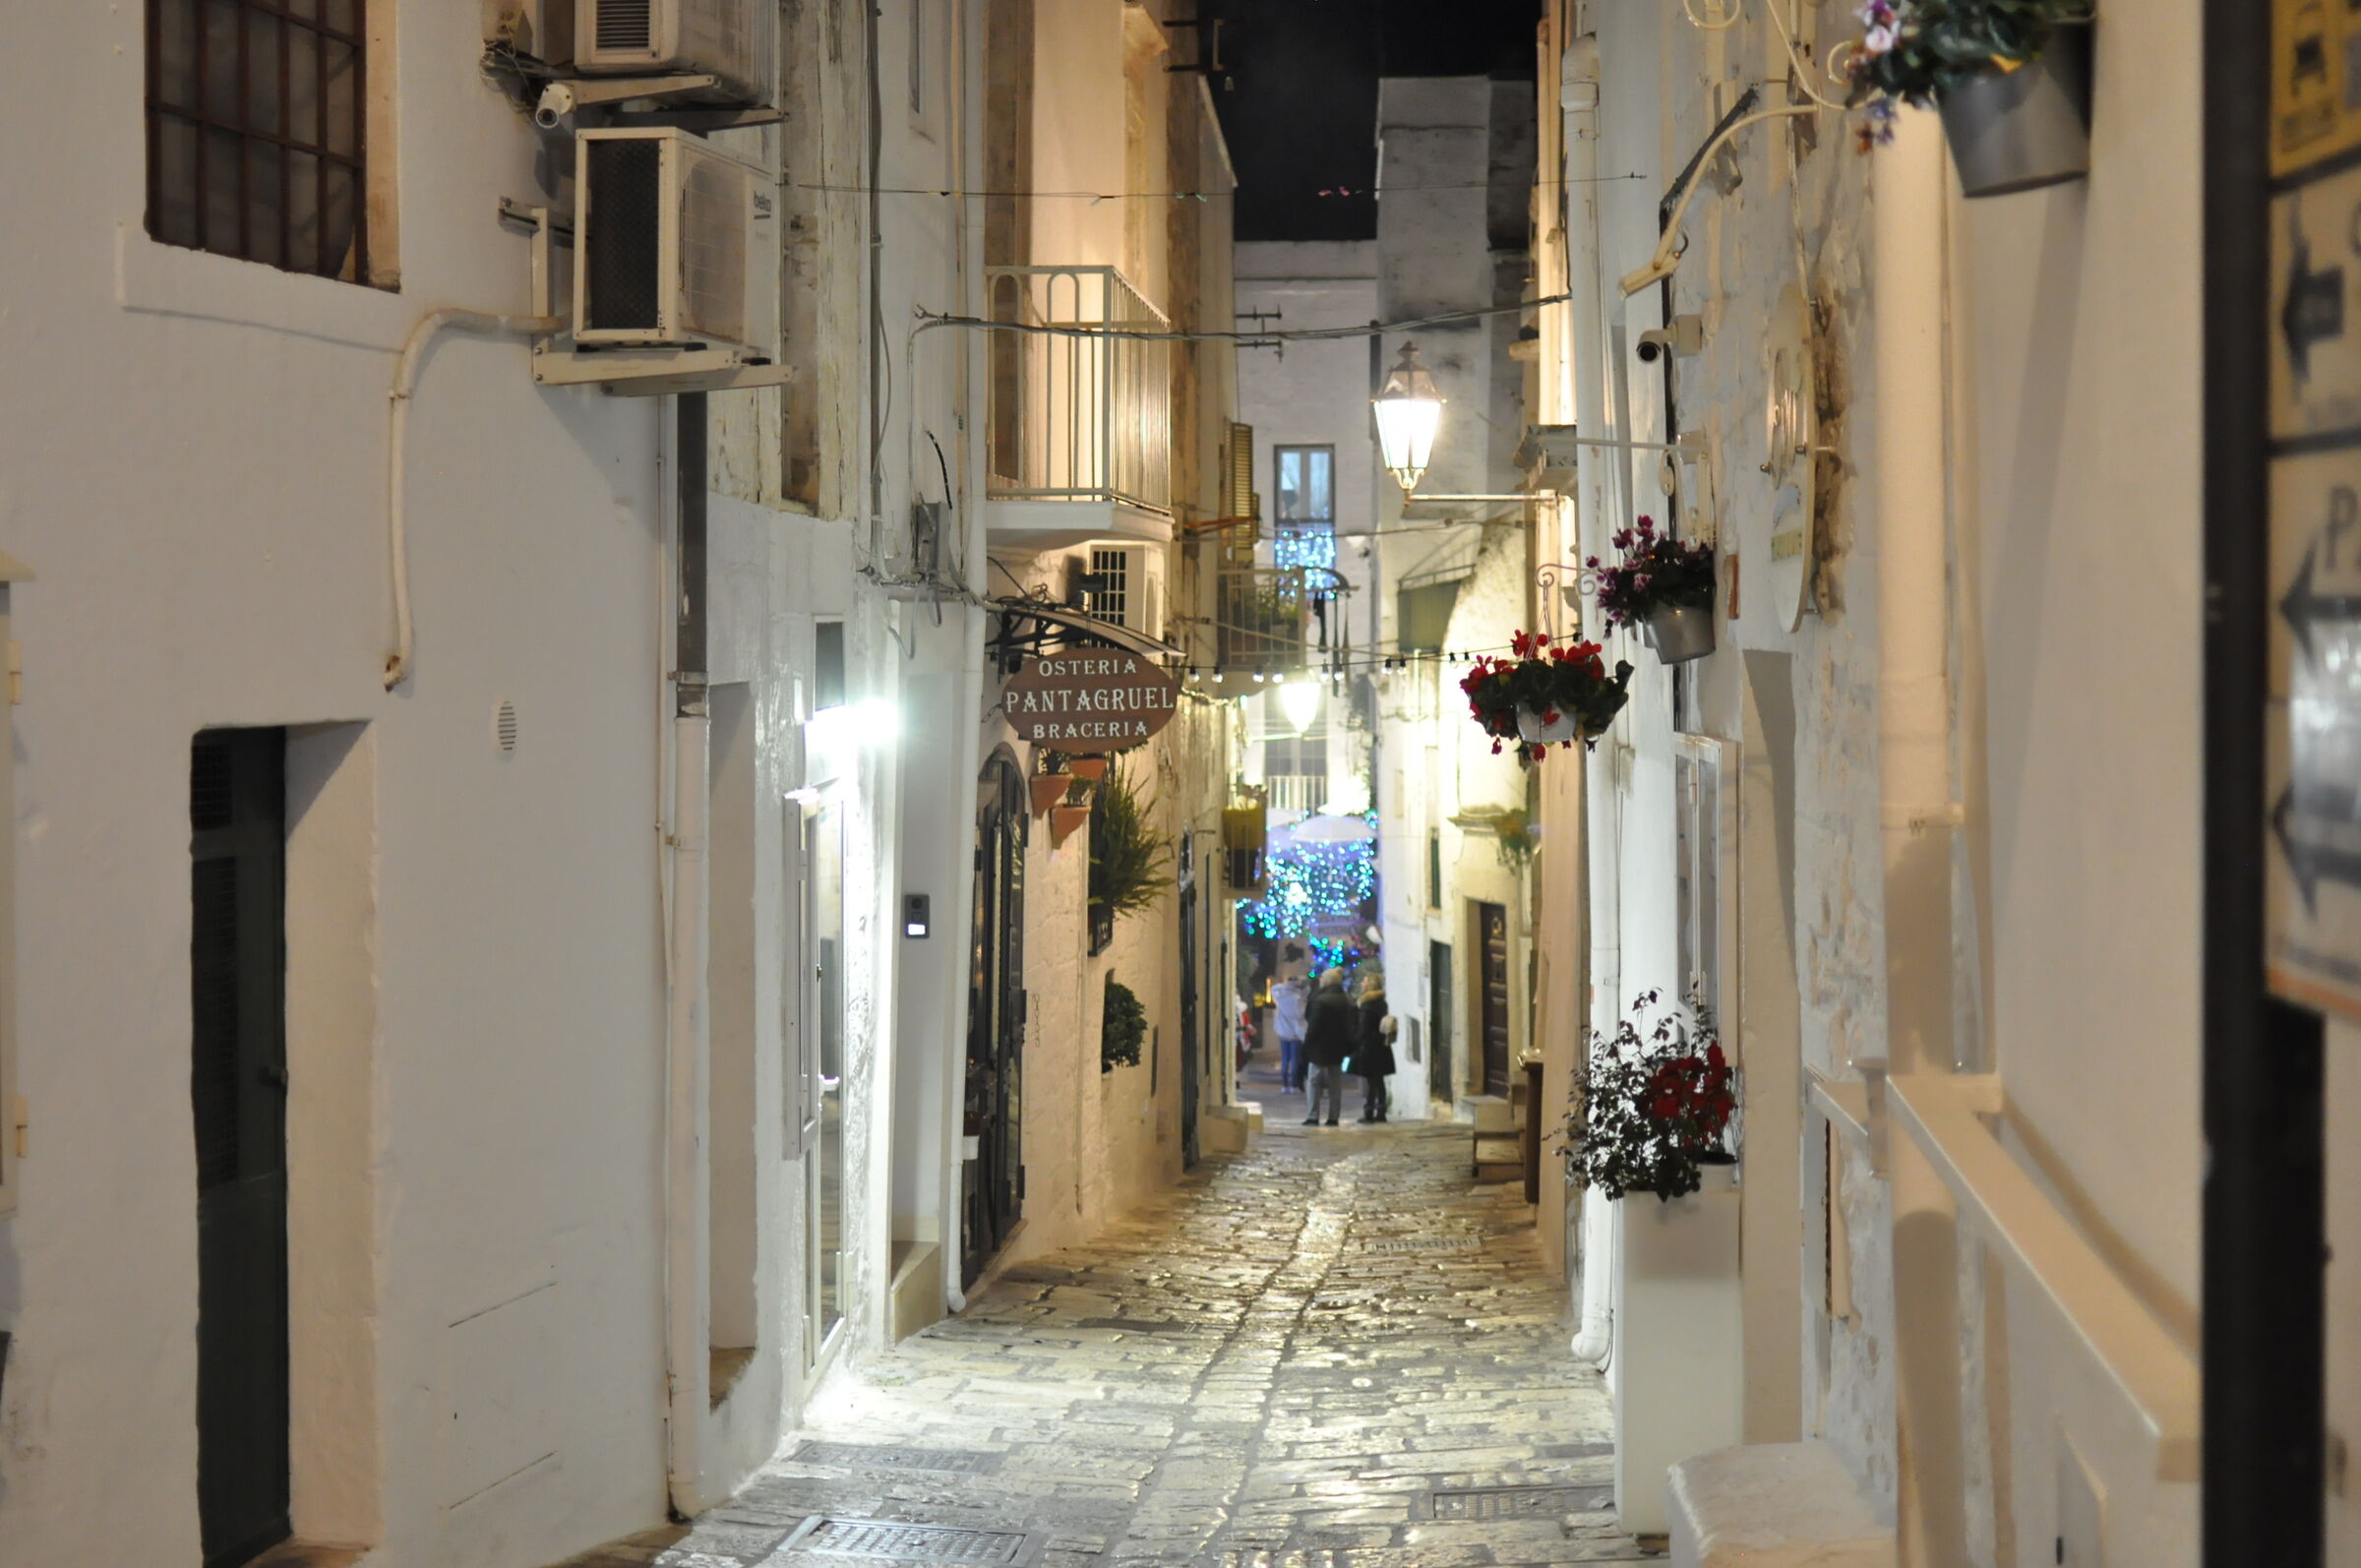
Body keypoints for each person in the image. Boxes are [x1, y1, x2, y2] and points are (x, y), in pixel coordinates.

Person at [1301, 968, 1357, 1126]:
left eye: (1322, 978)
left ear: (1327, 981)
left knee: (1313, 1081)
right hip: (1339, 1046)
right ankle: (1333, 1117)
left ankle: (1313, 1115)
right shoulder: (1346, 999)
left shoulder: (1320, 999)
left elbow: (1314, 1025)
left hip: (1319, 1047)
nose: (1320, 980)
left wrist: (1307, 1044)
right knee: (1335, 1082)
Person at [1351, 971, 1397, 1123]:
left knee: (1371, 1081)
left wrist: (1354, 1043)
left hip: (1369, 1046)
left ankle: (1369, 1112)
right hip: (1381, 1045)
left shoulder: (1367, 1004)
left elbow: (1363, 1028)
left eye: (1364, 981)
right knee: (1379, 1080)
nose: (1361, 983)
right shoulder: (1382, 1003)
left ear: (1370, 984)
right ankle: (1381, 1111)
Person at [1271, 974, 1308, 1093]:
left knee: (1285, 1059)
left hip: (1283, 1032)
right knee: (1295, 1060)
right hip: (1295, 1033)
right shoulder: (1297, 998)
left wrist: (1285, 985)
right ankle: (1294, 1086)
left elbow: (1273, 988)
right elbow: (1299, 1015)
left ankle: (1284, 1085)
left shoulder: (1281, 996)